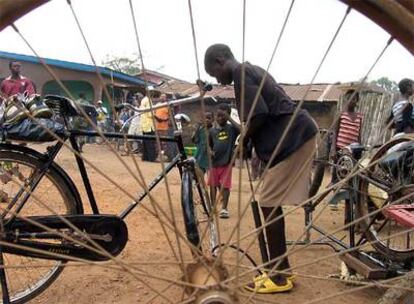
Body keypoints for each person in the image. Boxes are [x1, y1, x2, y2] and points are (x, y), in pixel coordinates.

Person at [204, 44, 318, 293]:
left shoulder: (241, 73)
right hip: (295, 136)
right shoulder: (249, 70)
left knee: (267, 202)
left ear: (220, 60)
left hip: (294, 138)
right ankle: (279, 271)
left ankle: (279, 277)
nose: (218, 80)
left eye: (215, 74)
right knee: (268, 202)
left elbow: (259, 114)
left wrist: (243, 139)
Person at [208, 104, 239, 219]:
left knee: (225, 187)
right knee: (212, 185)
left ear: (228, 116)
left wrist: (230, 118)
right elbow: (209, 144)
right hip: (214, 163)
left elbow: (242, 130)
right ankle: (212, 207)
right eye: (218, 116)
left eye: (223, 116)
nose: (220, 118)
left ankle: (224, 208)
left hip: (226, 162)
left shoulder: (231, 129)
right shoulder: (212, 131)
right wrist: (210, 151)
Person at [329, 90, 363, 193]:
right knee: (337, 174)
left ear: (357, 101)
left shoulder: (360, 116)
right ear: (346, 100)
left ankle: (349, 199)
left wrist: (360, 148)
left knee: (351, 174)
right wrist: (333, 149)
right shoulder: (341, 114)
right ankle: (333, 198)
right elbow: (335, 132)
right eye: (349, 98)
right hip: (340, 148)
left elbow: (359, 134)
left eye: (354, 99)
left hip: (353, 150)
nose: (351, 101)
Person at [140, 93, 157, 162]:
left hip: (144, 124)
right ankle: (151, 158)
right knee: (150, 142)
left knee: (145, 142)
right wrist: (155, 114)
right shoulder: (148, 101)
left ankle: (145, 157)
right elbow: (150, 114)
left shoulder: (143, 100)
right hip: (149, 124)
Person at [154, 93, 170, 161]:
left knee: (164, 142)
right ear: (159, 97)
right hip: (157, 127)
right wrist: (157, 118)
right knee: (157, 142)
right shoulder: (157, 105)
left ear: (166, 98)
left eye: (164, 97)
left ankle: (163, 156)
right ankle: (158, 155)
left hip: (164, 128)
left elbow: (170, 116)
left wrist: (164, 119)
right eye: (162, 96)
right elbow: (153, 114)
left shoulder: (167, 106)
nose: (163, 98)